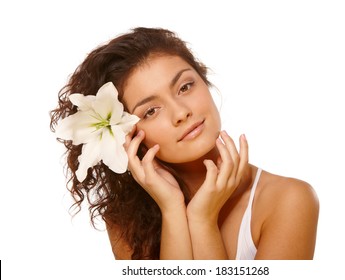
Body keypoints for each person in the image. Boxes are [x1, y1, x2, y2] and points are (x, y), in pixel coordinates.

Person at [50, 27, 319, 260]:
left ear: (204, 80)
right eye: (151, 111)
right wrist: (173, 210)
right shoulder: (125, 222)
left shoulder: (289, 199)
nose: (181, 113)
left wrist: (203, 220)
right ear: (127, 137)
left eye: (185, 87)